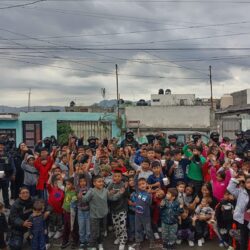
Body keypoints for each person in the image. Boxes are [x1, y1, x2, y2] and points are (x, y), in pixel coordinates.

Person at [82, 175, 125, 250]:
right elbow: (85, 200)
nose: (101, 183)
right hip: (94, 216)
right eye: (99, 182)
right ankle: (92, 246)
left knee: (102, 231)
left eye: (102, 181)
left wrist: (119, 193)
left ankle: (100, 244)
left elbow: (112, 198)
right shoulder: (91, 191)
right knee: (95, 233)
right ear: (94, 183)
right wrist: (81, 196)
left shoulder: (105, 190)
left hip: (104, 215)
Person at [227, 174, 250, 250]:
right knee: (243, 238)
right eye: (248, 182)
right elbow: (230, 188)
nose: (249, 184)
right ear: (245, 183)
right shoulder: (241, 191)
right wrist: (237, 180)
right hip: (244, 219)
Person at [108, 170, 128, 250]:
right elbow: (107, 193)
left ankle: (123, 241)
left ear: (121, 177)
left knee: (122, 226)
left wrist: (125, 189)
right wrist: (110, 192)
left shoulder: (123, 185)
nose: (117, 178)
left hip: (122, 208)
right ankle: (118, 237)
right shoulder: (111, 184)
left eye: (119, 176)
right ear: (113, 177)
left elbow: (127, 195)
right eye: (115, 176)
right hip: (113, 209)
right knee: (116, 225)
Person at [61, 177, 78, 249]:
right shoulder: (66, 190)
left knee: (72, 227)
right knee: (66, 227)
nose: (67, 186)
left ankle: (75, 240)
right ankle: (66, 240)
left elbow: (73, 204)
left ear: (74, 185)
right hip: (65, 212)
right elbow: (59, 184)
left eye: (68, 184)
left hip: (71, 213)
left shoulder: (75, 193)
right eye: (66, 184)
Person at [47, 174, 64, 240]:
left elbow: (63, 200)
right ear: (53, 184)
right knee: (52, 220)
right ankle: (51, 231)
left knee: (59, 221)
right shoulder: (51, 189)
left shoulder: (63, 191)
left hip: (59, 210)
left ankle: (59, 231)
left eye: (58, 183)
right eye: (55, 183)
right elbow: (48, 184)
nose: (57, 184)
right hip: (51, 209)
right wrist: (50, 176)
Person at [76, 174, 90, 250]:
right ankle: (82, 241)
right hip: (80, 211)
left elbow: (87, 175)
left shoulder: (88, 189)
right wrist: (77, 170)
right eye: (80, 181)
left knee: (88, 228)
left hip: (88, 211)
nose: (82, 182)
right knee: (81, 227)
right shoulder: (78, 189)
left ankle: (88, 241)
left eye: (84, 181)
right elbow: (75, 178)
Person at [0, 140, 15, 209]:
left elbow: (9, 163)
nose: (1, 147)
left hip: (5, 175)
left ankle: (7, 204)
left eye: (2, 146)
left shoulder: (7, 154)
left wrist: (13, 173)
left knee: (5, 190)